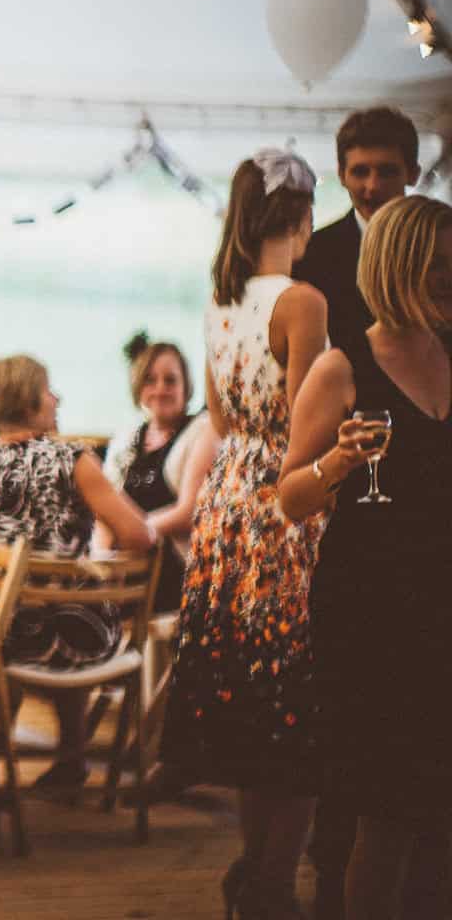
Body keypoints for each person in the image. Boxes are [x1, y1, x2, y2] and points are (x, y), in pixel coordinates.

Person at [162, 149, 327, 920]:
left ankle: (256, 871)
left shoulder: (218, 299)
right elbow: (306, 425)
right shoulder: (302, 300)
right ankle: (272, 883)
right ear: (300, 217)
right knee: (296, 704)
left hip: (228, 502)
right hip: (282, 509)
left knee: (254, 699)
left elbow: (222, 421)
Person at [278, 195, 452, 920]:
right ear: (397, 267)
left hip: (443, 601)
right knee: (382, 811)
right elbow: (289, 496)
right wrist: (339, 465)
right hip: (370, 613)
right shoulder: (341, 366)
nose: (448, 278)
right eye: (437, 265)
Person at [0, 354, 153, 791]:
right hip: (70, 634)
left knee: (22, 614)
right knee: (71, 607)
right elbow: (139, 535)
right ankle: (71, 755)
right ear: (28, 402)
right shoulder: (72, 459)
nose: (57, 398)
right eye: (48, 390)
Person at [99, 334, 217, 612]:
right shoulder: (126, 438)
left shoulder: (202, 430)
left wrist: (134, 532)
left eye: (170, 380)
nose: (160, 389)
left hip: (174, 570)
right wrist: (102, 560)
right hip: (121, 567)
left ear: (187, 387)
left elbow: (189, 512)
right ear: (139, 387)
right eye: (151, 380)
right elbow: (103, 510)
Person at [294, 107, 421, 348]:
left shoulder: (440, 249)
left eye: (387, 172)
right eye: (360, 172)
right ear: (341, 175)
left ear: (413, 174)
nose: (372, 186)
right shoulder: (311, 255)